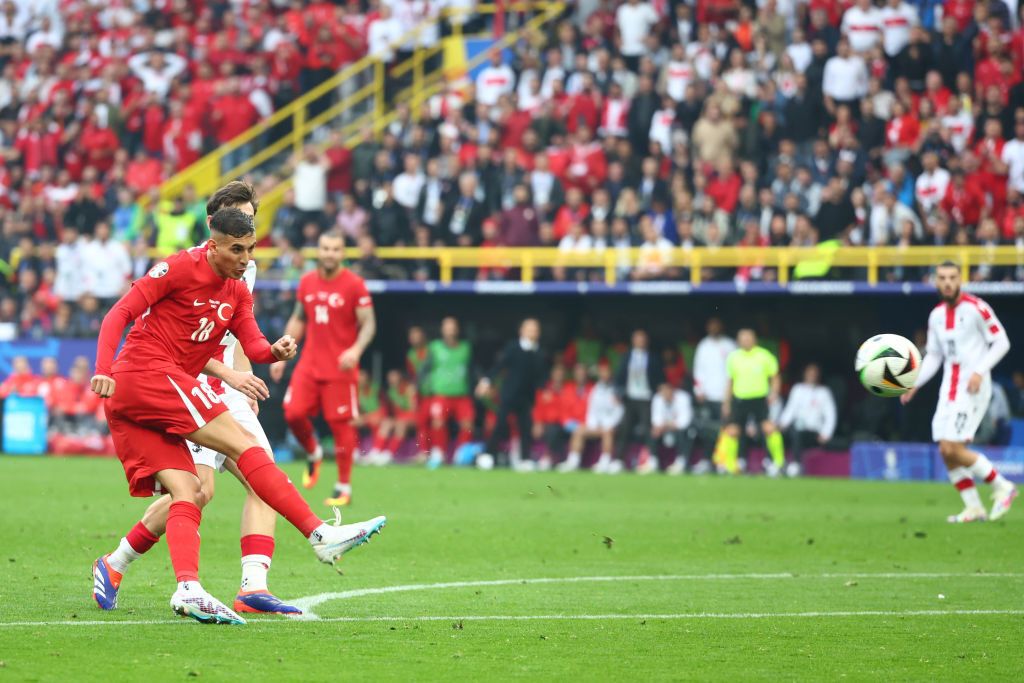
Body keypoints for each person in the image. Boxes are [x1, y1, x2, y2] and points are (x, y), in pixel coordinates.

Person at [89, 207, 386, 625]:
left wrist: (275, 352)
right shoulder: (177, 267)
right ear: (213, 243)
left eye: (251, 249)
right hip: (146, 375)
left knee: (189, 490)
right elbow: (118, 314)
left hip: (157, 391)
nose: (246, 259)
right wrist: (102, 367)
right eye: (237, 250)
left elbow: (255, 344)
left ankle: (187, 587)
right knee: (243, 448)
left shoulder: (237, 291)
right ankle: (319, 535)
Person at [93, 182, 307, 616]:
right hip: (184, 387)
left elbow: (238, 332)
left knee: (257, 478)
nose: (245, 235)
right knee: (198, 490)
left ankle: (252, 585)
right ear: (215, 225)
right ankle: (119, 563)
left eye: (250, 217)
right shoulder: (188, 266)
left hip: (226, 387)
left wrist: (246, 376)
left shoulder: (242, 266)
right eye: (236, 216)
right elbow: (179, 346)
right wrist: (230, 375)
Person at [901, 261, 1016, 522]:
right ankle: (974, 507)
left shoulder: (976, 308)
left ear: (960, 279)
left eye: (952, 277)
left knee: (952, 446)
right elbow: (934, 356)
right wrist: (914, 384)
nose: (948, 282)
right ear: (936, 281)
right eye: (942, 278)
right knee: (945, 449)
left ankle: (1003, 486)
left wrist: (979, 370)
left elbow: (1002, 342)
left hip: (973, 387)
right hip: (949, 389)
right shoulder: (936, 316)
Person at [269, 231, 377, 507]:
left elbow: (369, 324)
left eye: (335, 249)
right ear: (319, 251)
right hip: (309, 364)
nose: (330, 254)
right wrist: (281, 356)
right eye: (325, 248)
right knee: (293, 413)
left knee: (341, 427)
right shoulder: (307, 282)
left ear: (343, 253)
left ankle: (343, 486)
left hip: (340, 368)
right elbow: (298, 318)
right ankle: (313, 452)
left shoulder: (354, 285)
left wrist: (355, 350)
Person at [476, 318, 545, 469]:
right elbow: (500, 366)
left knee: (526, 428)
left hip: (526, 398)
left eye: (535, 329)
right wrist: (487, 381)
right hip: (509, 395)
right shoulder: (513, 347)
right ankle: (488, 455)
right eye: (530, 329)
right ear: (522, 331)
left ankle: (525, 459)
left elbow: (540, 378)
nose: (533, 332)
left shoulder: (539, 352)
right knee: (500, 425)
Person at [714, 329, 784, 476]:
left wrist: (774, 393)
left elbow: (775, 376)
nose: (745, 341)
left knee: (769, 428)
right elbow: (730, 381)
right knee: (732, 430)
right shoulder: (734, 357)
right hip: (740, 399)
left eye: (748, 338)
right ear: (738, 341)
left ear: (755, 339)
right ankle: (730, 465)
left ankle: (779, 463)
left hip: (759, 399)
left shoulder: (764, 356)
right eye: (742, 339)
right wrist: (726, 402)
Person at [420, 317, 475, 468]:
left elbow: (472, 370)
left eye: (452, 327)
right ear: (442, 330)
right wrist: (424, 387)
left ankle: (461, 454)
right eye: (447, 327)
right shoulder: (435, 347)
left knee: (467, 424)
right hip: (441, 394)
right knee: (438, 423)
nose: (450, 330)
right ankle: (439, 453)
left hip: (461, 394)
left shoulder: (466, 348)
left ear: (457, 330)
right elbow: (425, 369)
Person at [615, 329, 665, 472]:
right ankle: (619, 460)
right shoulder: (626, 357)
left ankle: (653, 458)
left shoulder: (653, 358)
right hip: (630, 398)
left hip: (646, 398)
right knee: (625, 428)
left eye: (643, 339)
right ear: (633, 340)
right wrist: (618, 392)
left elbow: (659, 378)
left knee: (649, 429)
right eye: (638, 338)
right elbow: (620, 376)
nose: (640, 341)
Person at [559, 363, 624, 473]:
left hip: (611, 425)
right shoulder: (596, 389)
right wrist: (593, 424)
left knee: (607, 432)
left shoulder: (616, 390)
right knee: (579, 431)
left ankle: (605, 462)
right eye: (602, 373)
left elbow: (619, 411)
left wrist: (609, 424)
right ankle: (573, 461)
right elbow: (592, 408)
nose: (604, 375)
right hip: (596, 425)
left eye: (606, 372)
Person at [691, 317, 736, 474]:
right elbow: (698, 370)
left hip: (725, 396)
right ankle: (706, 460)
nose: (714, 328)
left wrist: (731, 394)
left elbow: (734, 371)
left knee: (725, 429)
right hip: (708, 395)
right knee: (708, 430)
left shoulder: (730, 345)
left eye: (716, 325)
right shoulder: (703, 346)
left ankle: (723, 462)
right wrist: (699, 390)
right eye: (711, 325)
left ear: (721, 326)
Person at [777, 363, 837, 477]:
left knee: (797, 434)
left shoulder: (824, 392)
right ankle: (778, 463)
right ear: (805, 374)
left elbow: (831, 415)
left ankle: (796, 464)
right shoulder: (797, 389)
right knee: (782, 434)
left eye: (814, 374)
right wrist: (782, 424)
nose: (811, 376)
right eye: (809, 373)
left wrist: (826, 433)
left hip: (814, 432)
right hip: (796, 430)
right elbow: (790, 409)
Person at [650, 382, 694, 476]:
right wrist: (661, 427)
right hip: (665, 428)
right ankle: (653, 461)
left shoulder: (683, 398)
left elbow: (685, 421)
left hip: (679, 429)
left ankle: (681, 462)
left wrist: (669, 425)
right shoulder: (658, 398)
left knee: (683, 433)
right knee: (653, 432)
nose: (664, 395)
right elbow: (656, 419)